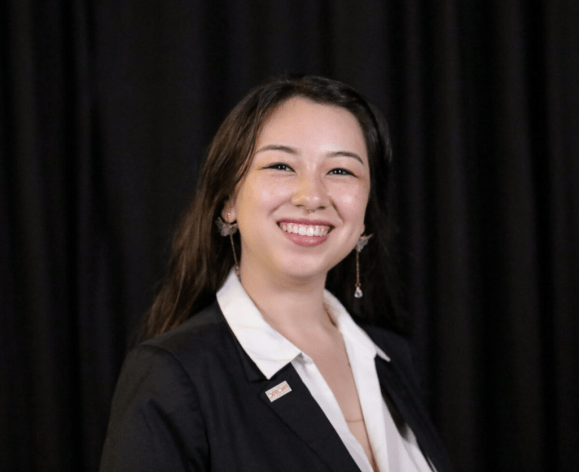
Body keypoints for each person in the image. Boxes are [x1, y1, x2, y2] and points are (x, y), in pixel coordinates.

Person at [99, 75, 452, 472]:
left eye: (340, 171)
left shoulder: (393, 359)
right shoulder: (171, 376)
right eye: (281, 165)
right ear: (228, 200)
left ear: (368, 213)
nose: (312, 196)